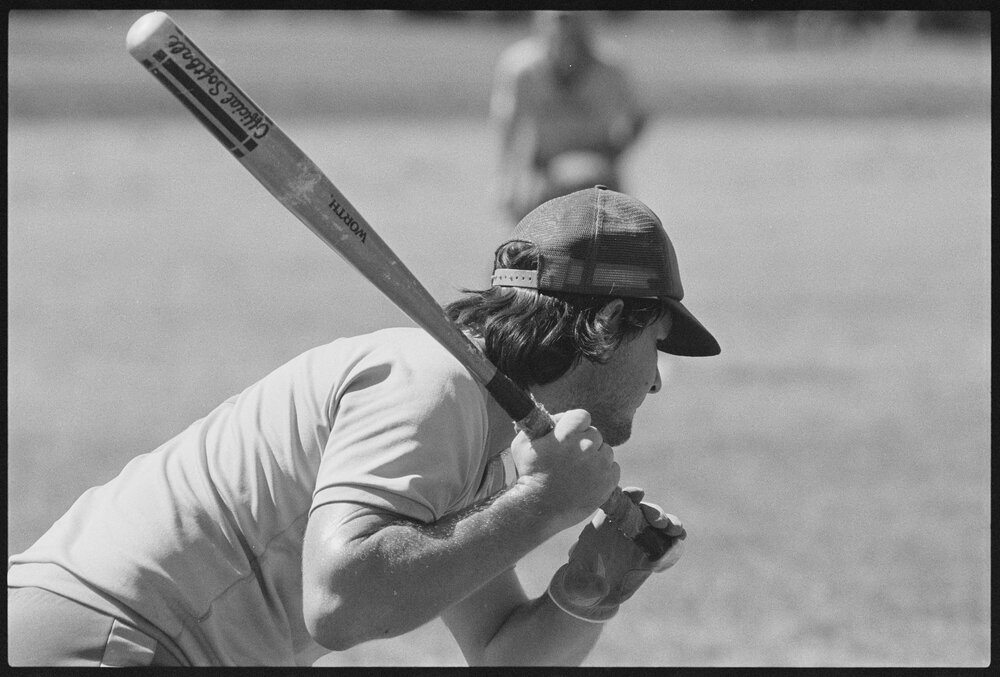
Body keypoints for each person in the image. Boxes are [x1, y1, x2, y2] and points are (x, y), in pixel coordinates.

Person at [7, 186, 720, 666]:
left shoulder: (479, 433)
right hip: (103, 639)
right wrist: (541, 505)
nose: (657, 377)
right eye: (654, 342)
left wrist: (589, 588)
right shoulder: (431, 382)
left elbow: (502, 651)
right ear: (601, 325)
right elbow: (342, 603)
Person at [490, 11, 648, 224]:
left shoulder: (610, 67)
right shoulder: (521, 67)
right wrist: (508, 181)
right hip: (544, 168)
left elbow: (638, 116)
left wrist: (612, 153)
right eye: (559, 18)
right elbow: (509, 124)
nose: (565, 26)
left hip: (597, 170)